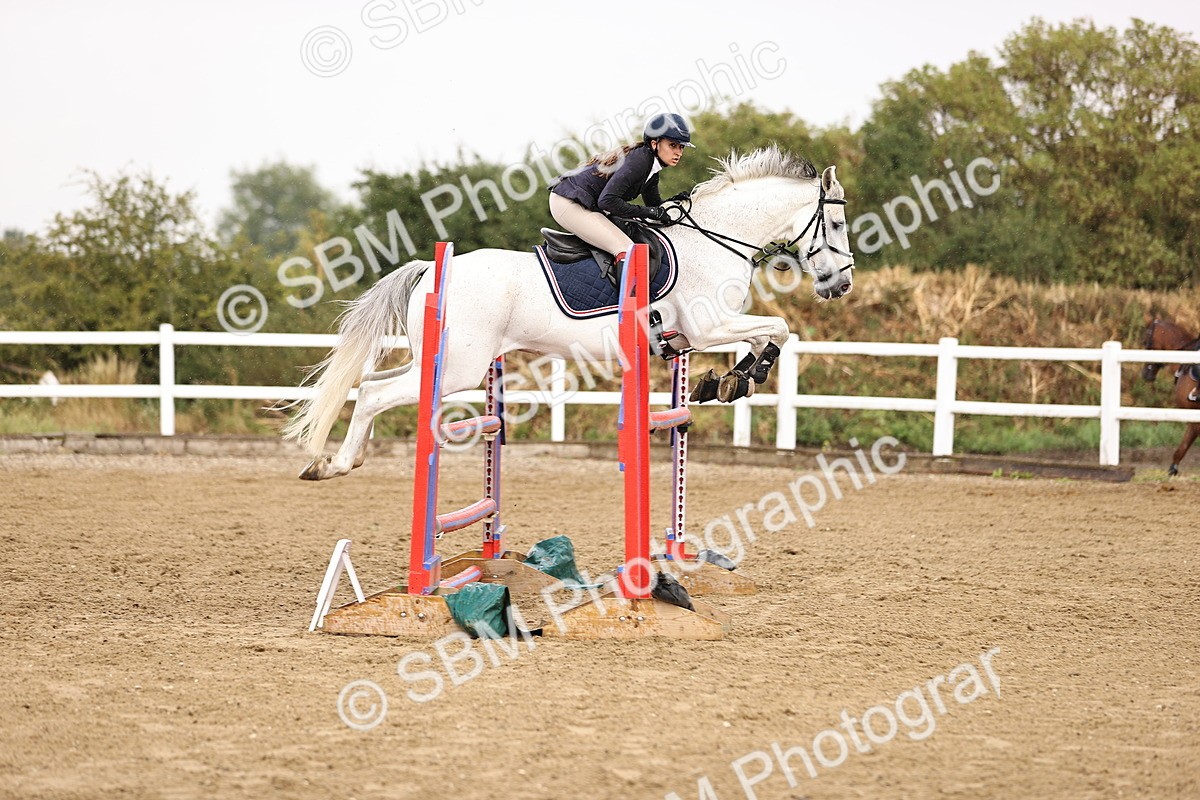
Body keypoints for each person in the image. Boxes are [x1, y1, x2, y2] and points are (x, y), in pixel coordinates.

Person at [548, 112, 694, 263]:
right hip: (568, 202)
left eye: (681, 147)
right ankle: (628, 288)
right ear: (654, 143)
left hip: (581, 202)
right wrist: (650, 212)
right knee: (628, 250)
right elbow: (607, 202)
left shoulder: (651, 168)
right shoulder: (640, 161)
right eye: (673, 145)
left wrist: (674, 203)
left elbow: (654, 205)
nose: (679, 152)